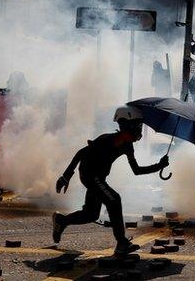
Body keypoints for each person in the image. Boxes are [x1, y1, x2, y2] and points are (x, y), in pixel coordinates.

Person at [52, 106, 168, 255]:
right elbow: (81, 153)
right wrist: (65, 176)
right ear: (124, 125)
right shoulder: (106, 140)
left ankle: (61, 221)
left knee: (91, 214)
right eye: (136, 126)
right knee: (114, 200)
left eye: (140, 126)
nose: (139, 130)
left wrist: (160, 165)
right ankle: (121, 243)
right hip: (89, 174)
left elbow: (136, 170)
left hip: (98, 178)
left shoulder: (127, 146)